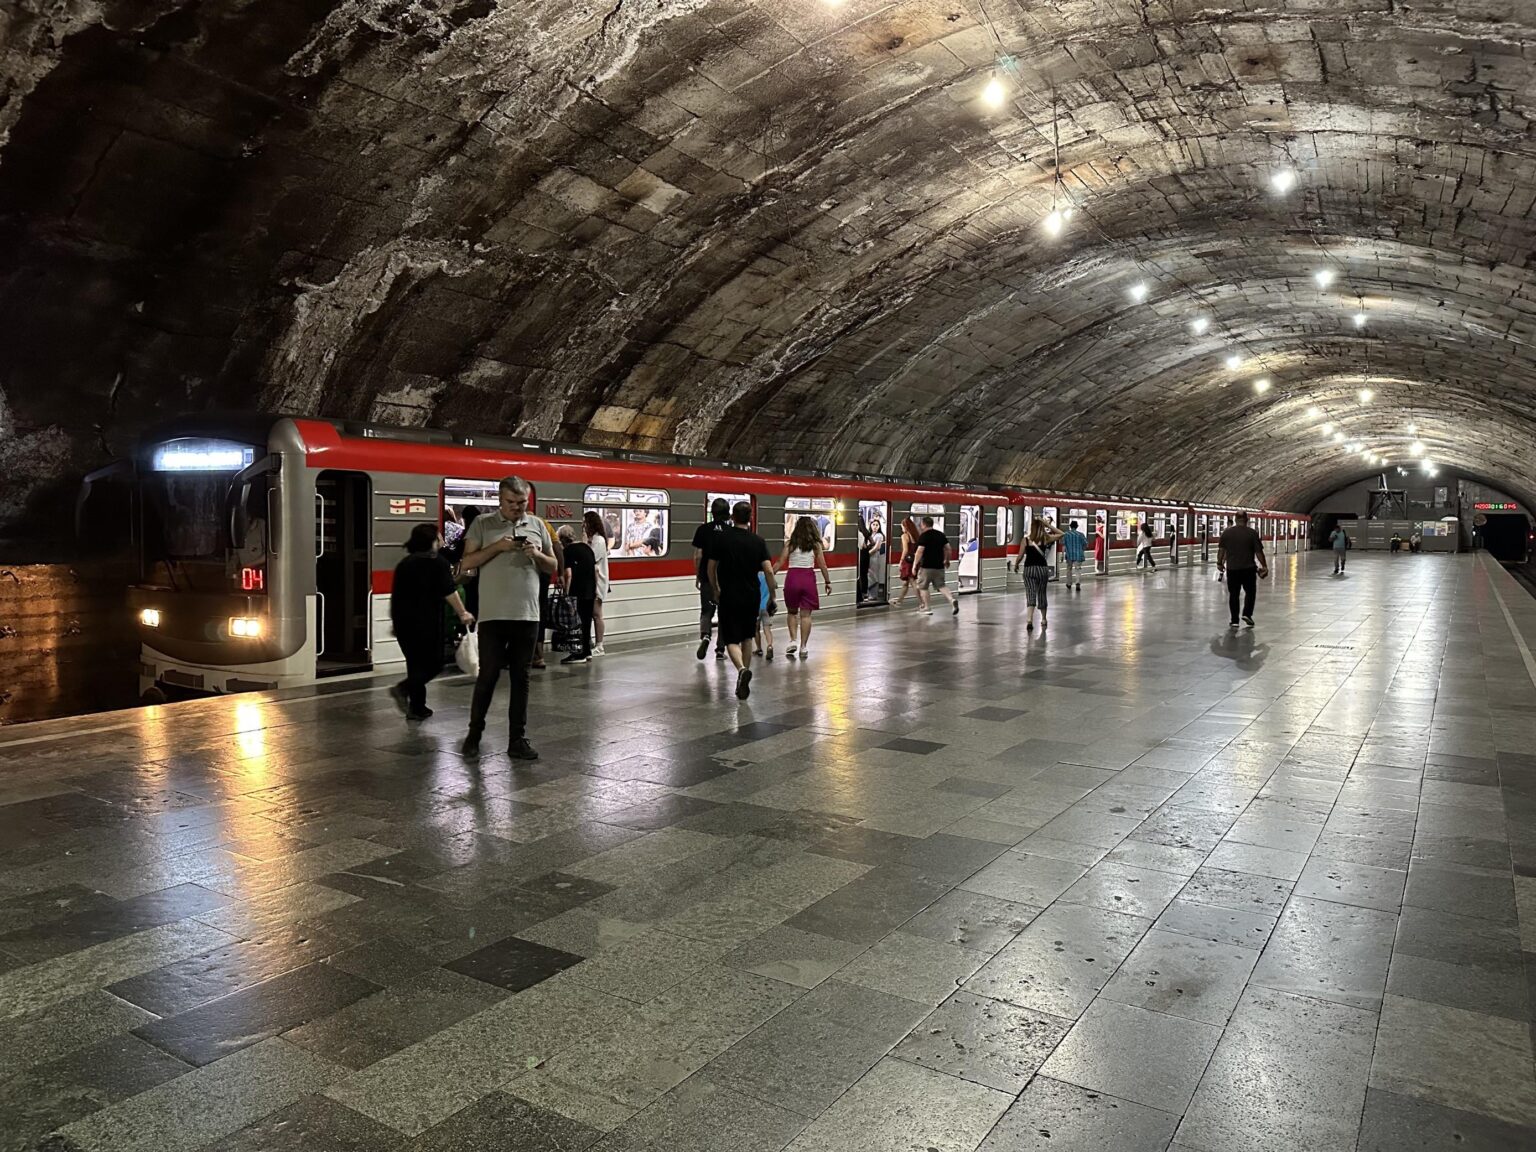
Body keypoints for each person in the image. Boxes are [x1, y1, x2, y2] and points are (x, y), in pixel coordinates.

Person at [458, 476, 557, 760]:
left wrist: (536, 554)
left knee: (521, 678)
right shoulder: (482, 524)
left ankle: (518, 739)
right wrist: (497, 548)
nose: (517, 508)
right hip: (492, 615)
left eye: (522, 502)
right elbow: (466, 563)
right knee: (487, 676)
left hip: (527, 614)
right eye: (511, 503)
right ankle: (474, 735)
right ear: (500, 501)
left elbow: (553, 565)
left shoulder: (537, 525)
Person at [389, 524, 474, 720]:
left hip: (404, 623)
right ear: (431, 540)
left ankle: (417, 708)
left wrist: (395, 622)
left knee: (415, 664)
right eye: (438, 536)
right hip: (427, 622)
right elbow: (449, 591)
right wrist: (463, 613)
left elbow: (397, 596)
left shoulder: (405, 563)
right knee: (435, 663)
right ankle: (403, 688)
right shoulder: (438, 563)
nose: (442, 539)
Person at [708, 502, 778, 699]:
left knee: (731, 639)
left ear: (733, 516)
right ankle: (744, 673)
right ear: (750, 517)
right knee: (747, 637)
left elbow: (711, 567)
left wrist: (715, 588)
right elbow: (769, 571)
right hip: (751, 595)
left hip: (729, 594)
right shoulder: (758, 541)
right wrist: (772, 596)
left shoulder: (722, 539)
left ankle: (741, 670)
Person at [777, 515, 834, 660]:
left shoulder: (790, 544)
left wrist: (768, 575)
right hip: (808, 579)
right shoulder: (815, 545)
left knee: (791, 612)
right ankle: (803, 647)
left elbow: (779, 562)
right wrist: (828, 581)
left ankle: (793, 640)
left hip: (792, 578)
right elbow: (822, 564)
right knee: (806, 615)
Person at [692, 498, 732, 660]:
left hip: (707, 578)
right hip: (726, 579)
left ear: (712, 512)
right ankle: (720, 649)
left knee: (706, 611)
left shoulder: (703, 530)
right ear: (727, 513)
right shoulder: (731, 531)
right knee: (724, 613)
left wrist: (698, 575)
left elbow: (698, 555)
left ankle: (706, 635)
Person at [1217, 511, 1269, 629]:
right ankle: (1247, 614)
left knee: (1233, 594)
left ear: (1235, 519)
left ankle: (1234, 620)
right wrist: (1264, 566)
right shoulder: (1252, 533)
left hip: (1232, 569)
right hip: (1248, 569)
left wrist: (1219, 563)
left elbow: (1221, 550)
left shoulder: (1227, 533)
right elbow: (1259, 552)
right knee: (1250, 593)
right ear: (1246, 519)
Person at [558, 525, 597, 664]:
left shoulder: (568, 551)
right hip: (590, 591)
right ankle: (587, 652)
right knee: (586, 622)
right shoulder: (587, 548)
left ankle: (578, 654)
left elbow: (568, 574)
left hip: (577, 592)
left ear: (562, 539)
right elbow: (595, 570)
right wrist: (595, 589)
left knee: (575, 624)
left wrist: (566, 594)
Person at [530, 515, 563, 671]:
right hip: (544, 573)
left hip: (530, 573)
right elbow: (558, 548)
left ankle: (531, 655)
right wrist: (561, 574)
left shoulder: (511, 523)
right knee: (540, 611)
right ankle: (539, 655)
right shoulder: (544, 523)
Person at [1022, 518, 1064, 632]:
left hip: (1028, 570)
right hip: (1042, 569)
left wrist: (1016, 564)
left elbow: (1020, 555)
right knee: (1041, 593)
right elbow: (1061, 534)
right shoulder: (1045, 539)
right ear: (1041, 527)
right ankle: (1044, 619)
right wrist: (1047, 525)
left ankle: (1029, 619)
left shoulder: (1025, 540)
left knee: (1030, 593)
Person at [912, 515, 959, 616]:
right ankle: (952, 600)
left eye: (921, 524)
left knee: (923, 587)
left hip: (926, 566)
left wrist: (914, 565)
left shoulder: (924, 536)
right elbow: (949, 549)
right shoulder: (940, 535)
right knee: (941, 585)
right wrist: (946, 560)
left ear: (924, 524)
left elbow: (920, 551)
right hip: (939, 566)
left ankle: (927, 608)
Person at [584, 510, 610, 655]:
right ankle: (595, 643)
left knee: (597, 614)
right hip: (594, 582)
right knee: (594, 614)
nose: (583, 525)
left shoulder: (598, 541)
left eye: (585, 522)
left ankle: (600, 645)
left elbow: (591, 559)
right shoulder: (594, 539)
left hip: (597, 582)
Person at [894, 516, 920, 605]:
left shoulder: (904, 536)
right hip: (914, 561)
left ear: (905, 526)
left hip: (907, 562)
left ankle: (923, 603)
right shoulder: (915, 535)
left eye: (902, 526)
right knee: (906, 582)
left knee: (912, 581)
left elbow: (905, 550)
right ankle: (899, 601)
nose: (901, 528)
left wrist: (901, 561)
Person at [1060, 519, 1088, 590]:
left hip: (1069, 555)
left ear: (1070, 526)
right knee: (1077, 569)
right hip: (1078, 555)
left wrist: (1062, 555)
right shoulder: (1080, 534)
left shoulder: (1066, 534)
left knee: (1069, 569)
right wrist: (1082, 550)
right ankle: (1077, 583)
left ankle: (1069, 583)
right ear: (1077, 527)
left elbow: (1063, 545)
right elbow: (1085, 544)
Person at [754, 569, 775, 660]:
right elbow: (774, 586)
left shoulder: (753, 576)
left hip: (756, 606)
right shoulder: (768, 576)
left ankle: (759, 649)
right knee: (767, 629)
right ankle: (769, 646)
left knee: (756, 629)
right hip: (767, 606)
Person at [866, 517, 887, 602]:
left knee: (873, 575)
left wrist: (867, 554)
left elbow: (877, 547)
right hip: (870, 556)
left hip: (875, 556)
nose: (875, 527)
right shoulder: (870, 535)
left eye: (877, 525)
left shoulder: (879, 535)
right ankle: (869, 593)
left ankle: (873, 595)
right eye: (873, 525)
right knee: (869, 575)